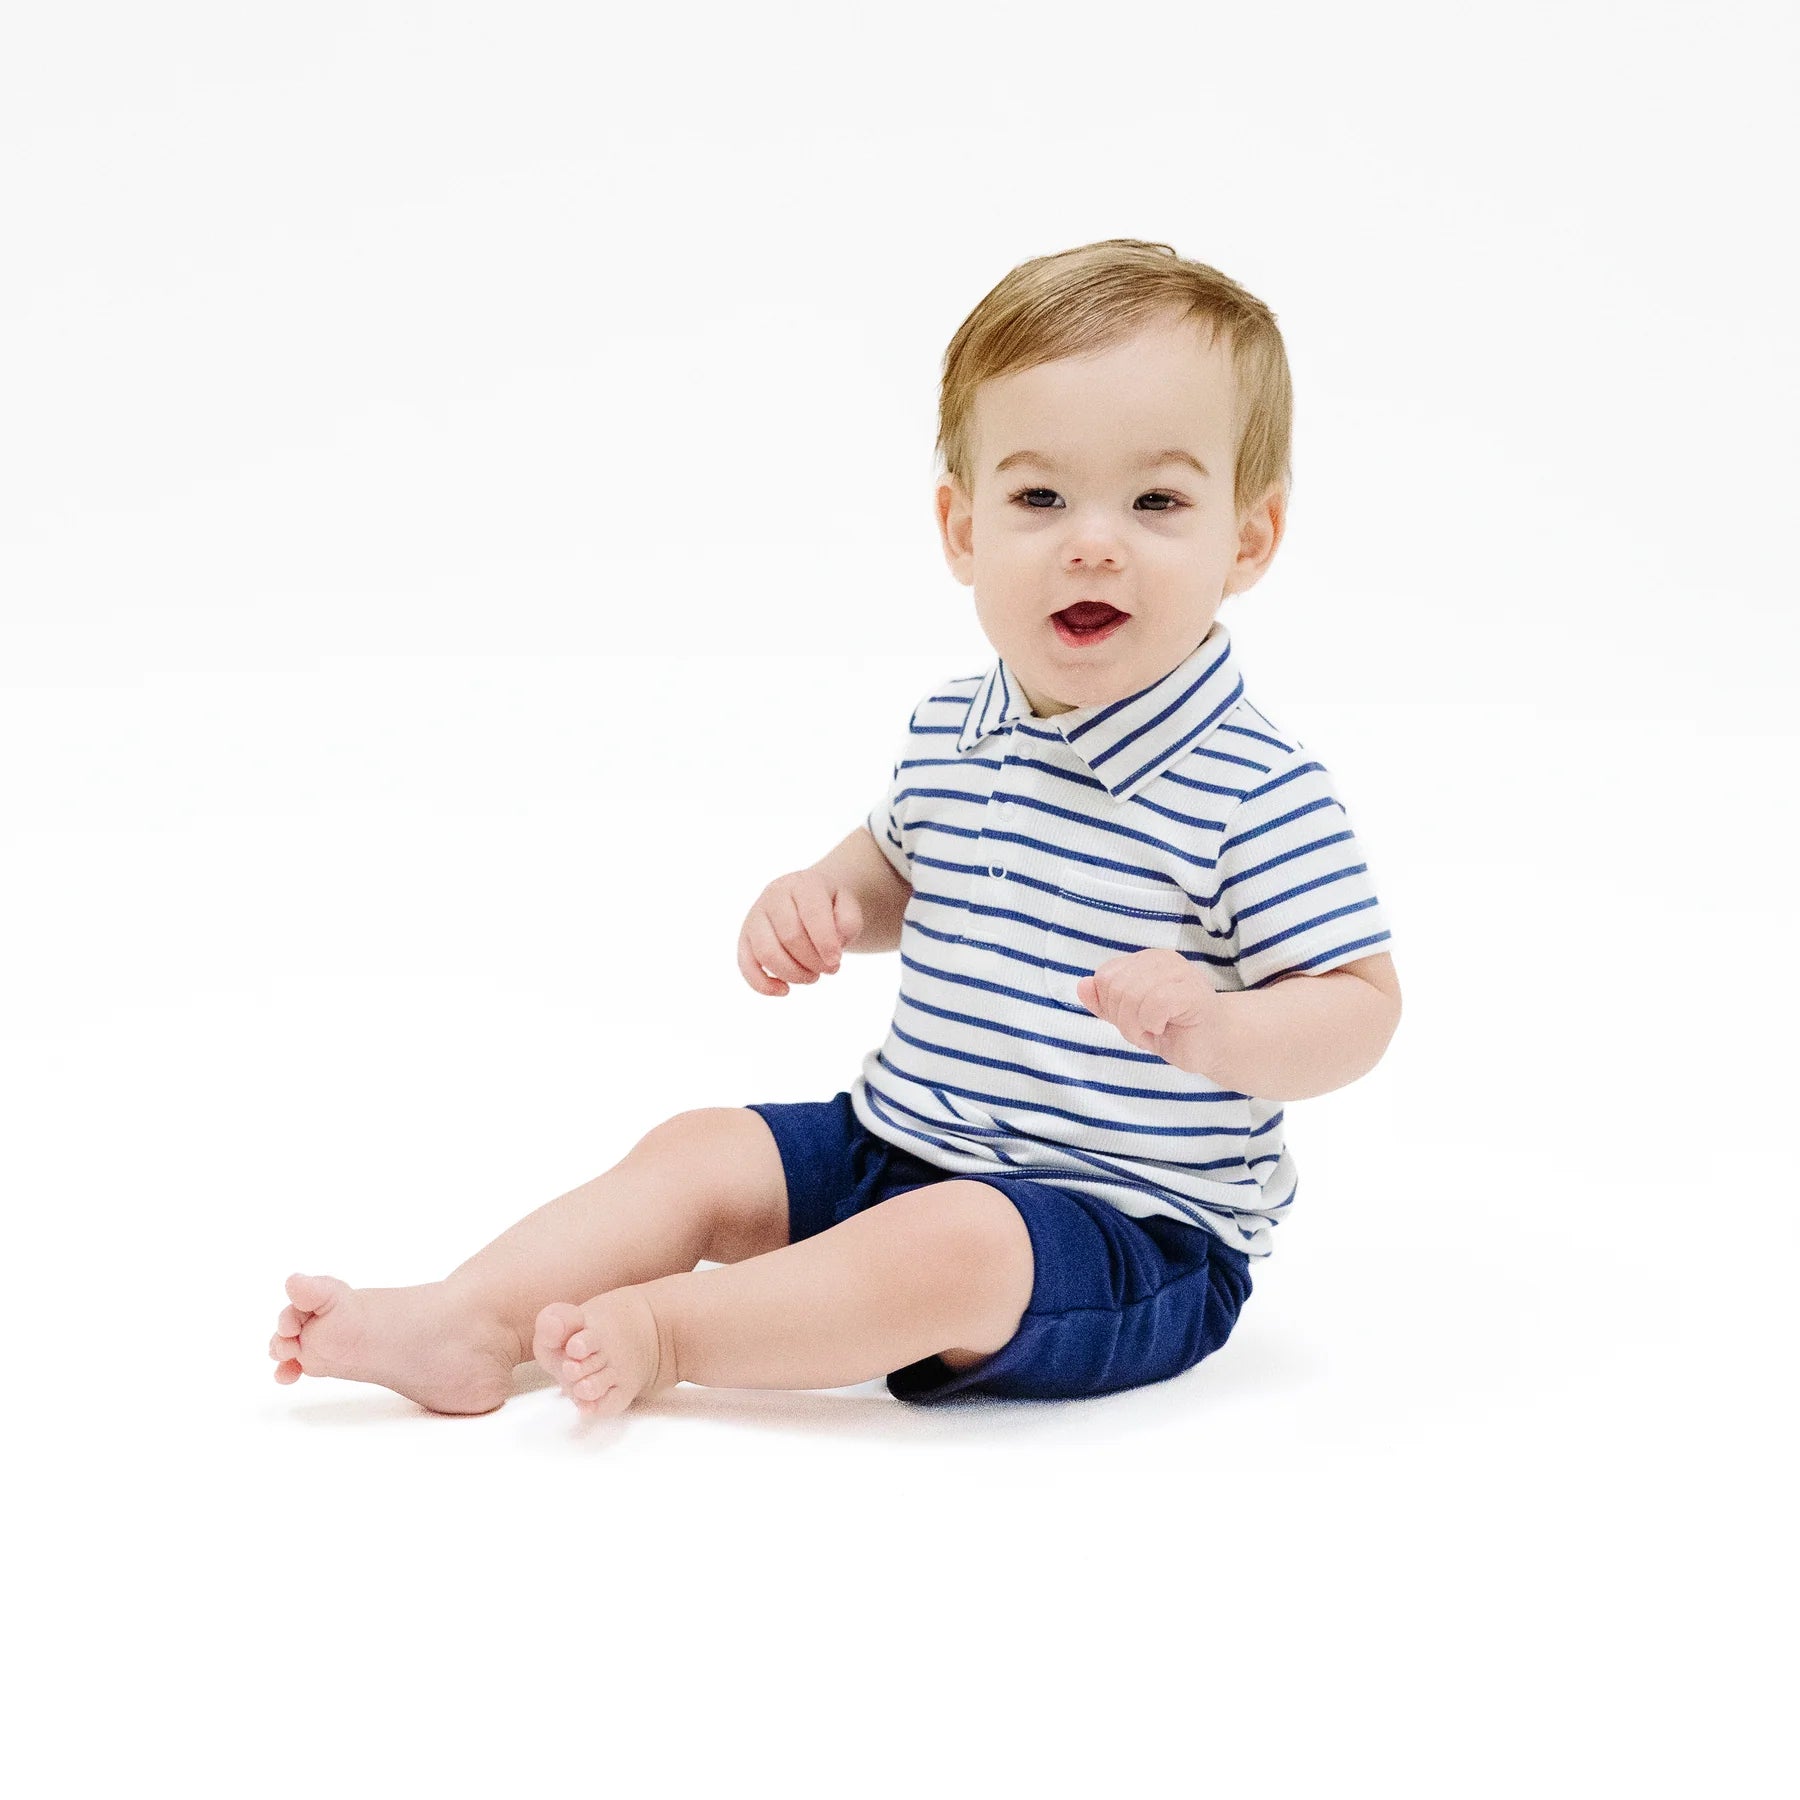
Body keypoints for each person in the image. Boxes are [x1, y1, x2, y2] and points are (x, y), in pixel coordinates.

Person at [267, 238, 1402, 1417]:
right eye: (1039, 497)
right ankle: (470, 1319)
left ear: (1250, 539)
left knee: (957, 1245)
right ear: (962, 530)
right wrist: (826, 900)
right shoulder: (956, 729)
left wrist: (1225, 1029)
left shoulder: (1253, 789)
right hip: (904, 1139)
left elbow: (1362, 1008)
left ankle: (669, 1331)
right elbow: (898, 872)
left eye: (1157, 500)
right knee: (702, 1147)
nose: (1092, 540)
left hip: (1128, 1225)